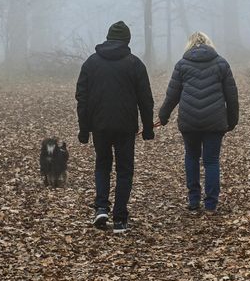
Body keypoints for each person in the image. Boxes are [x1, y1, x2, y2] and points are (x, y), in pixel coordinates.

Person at [76, 21, 155, 234]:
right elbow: (145, 99)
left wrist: (84, 129)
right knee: (124, 170)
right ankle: (120, 218)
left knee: (102, 165)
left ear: (108, 38)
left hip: (99, 125)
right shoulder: (134, 64)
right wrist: (148, 128)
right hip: (125, 126)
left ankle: (101, 207)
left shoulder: (91, 63)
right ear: (127, 40)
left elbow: (81, 98)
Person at [157, 32, 239, 214]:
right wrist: (231, 120)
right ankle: (211, 203)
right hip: (214, 121)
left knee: (192, 157)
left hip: (189, 120)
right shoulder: (221, 64)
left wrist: (163, 117)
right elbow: (231, 95)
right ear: (209, 43)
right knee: (211, 161)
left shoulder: (182, 65)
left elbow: (172, 94)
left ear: (189, 45)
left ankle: (193, 200)